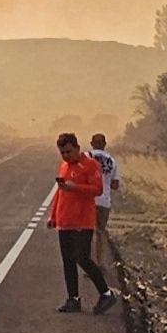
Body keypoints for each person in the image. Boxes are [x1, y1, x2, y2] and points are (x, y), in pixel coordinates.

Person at [47, 130, 117, 315]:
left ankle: (106, 293)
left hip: (82, 221)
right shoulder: (64, 166)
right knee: (68, 261)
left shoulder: (90, 165)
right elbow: (60, 192)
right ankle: (73, 299)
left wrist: (74, 187)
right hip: (65, 220)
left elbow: (97, 189)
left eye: (69, 152)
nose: (66, 156)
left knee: (83, 259)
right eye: (63, 153)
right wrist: (53, 216)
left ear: (78, 148)